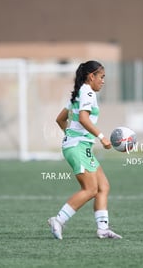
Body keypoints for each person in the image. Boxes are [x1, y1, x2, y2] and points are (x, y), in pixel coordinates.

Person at [48, 60, 122, 240]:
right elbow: (83, 118)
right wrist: (101, 136)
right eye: (101, 77)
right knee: (90, 189)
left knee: (103, 186)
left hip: (78, 146)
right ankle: (58, 220)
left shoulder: (77, 94)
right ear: (91, 76)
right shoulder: (87, 91)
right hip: (78, 147)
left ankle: (103, 229)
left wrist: (71, 136)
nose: (103, 81)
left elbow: (60, 119)